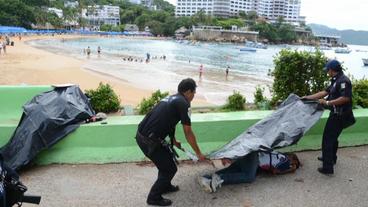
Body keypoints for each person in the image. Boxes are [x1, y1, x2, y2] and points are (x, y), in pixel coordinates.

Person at [136, 78, 206, 206]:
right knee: (169, 169)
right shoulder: (184, 103)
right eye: (194, 93)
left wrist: (174, 140)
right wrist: (198, 153)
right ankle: (154, 197)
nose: (194, 96)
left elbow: (168, 121)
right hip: (149, 141)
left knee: (167, 161)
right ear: (189, 91)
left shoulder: (171, 98)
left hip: (142, 136)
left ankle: (165, 186)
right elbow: (188, 131)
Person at [303, 59, 354, 175]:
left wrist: (327, 103)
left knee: (327, 139)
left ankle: (327, 168)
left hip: (339, 115)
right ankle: (331, 158)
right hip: (337, 113)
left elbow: (346, 98)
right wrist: (307, 97)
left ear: (332, 70)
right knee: (333, 138)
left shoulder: (343, 81)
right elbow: (324, 92)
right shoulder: (336, 80)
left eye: (328, 70)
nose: (327, 73)